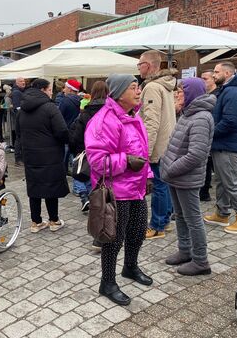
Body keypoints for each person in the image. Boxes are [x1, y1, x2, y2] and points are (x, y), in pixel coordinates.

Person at [85, 74, 153, 306]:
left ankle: (130, 267)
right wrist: (125, 161)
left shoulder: (134, 116)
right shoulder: (104, 121)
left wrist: (149, 176)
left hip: (137, 189)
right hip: (116, 192)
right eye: (133, 87)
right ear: (119, 92)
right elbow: (97, 161)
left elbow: (142, 153)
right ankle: (108, 282)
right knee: (113, 240)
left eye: (138, 87)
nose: (138, 91)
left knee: (137, 232)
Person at [161, 78, 215, 276]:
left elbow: (196, 154)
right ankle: (185, 250)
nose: (177, 94)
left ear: (192, 93)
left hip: (186, 177)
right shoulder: (187, 113)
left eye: (181, 92)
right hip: (176, 176)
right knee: (181, 216)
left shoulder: (201, 118)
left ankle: (201, 261)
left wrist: (171, 168)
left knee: (193, 219)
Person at [17, 78, 69, 233]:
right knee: (50, 186)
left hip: (30, 154)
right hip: (50, 154)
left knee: (34, 186)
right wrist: (66, 142)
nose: (51, 92)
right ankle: (54, 220)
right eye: (50, 89)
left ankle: (36, 222)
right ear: (43, 90)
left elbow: (18, 133)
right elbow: (62, 131)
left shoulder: (22, 109)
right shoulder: (50, 108)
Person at [138, 50, 177, 239]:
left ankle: (157, 226)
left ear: (150, 65)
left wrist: (146, 150)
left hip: (159, 146)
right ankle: (165, 221)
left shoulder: (153, 87)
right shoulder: (166, 85)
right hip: (168, 144)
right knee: (165, 184)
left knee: (160, 185)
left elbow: (150, 123)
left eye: (140, 64)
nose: (138, 68)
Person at [204, 62, 237, 234]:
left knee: (231, 182)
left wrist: (210, 132)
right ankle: (222, 213)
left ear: (227, 73)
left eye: (216, 72)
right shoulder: (227, 90)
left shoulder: (233, 92)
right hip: (223, 144)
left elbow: (231, 121)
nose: (214, 75)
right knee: (222, 180)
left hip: (228, 144)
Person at [69, 81, 109, 251]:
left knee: (94, 188)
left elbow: (77, 136)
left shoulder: (85, 114)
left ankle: (99, 230)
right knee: (108, 191)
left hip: (89, 153)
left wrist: (77, 150)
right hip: (109, 157)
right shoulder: (112, 112)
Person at [199, 70, 219, 202]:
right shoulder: (204, 95)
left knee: (209, 164)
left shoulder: (217, 95)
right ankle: (204, 192)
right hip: (205, 134)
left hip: (214, 135)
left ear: (213, 79)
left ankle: (205, 192)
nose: (202, 81)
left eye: (205, 79)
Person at [11, 77, 26, 167]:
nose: (23, 82)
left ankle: (21, 158)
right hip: (19, 118)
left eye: (24, 81)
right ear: (17, 83)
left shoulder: (20, 91)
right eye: (21, 81)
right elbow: (17, 107)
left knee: (20, 138)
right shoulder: (17, 92)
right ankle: (18, 159)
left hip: (21, 118)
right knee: (19, 139)